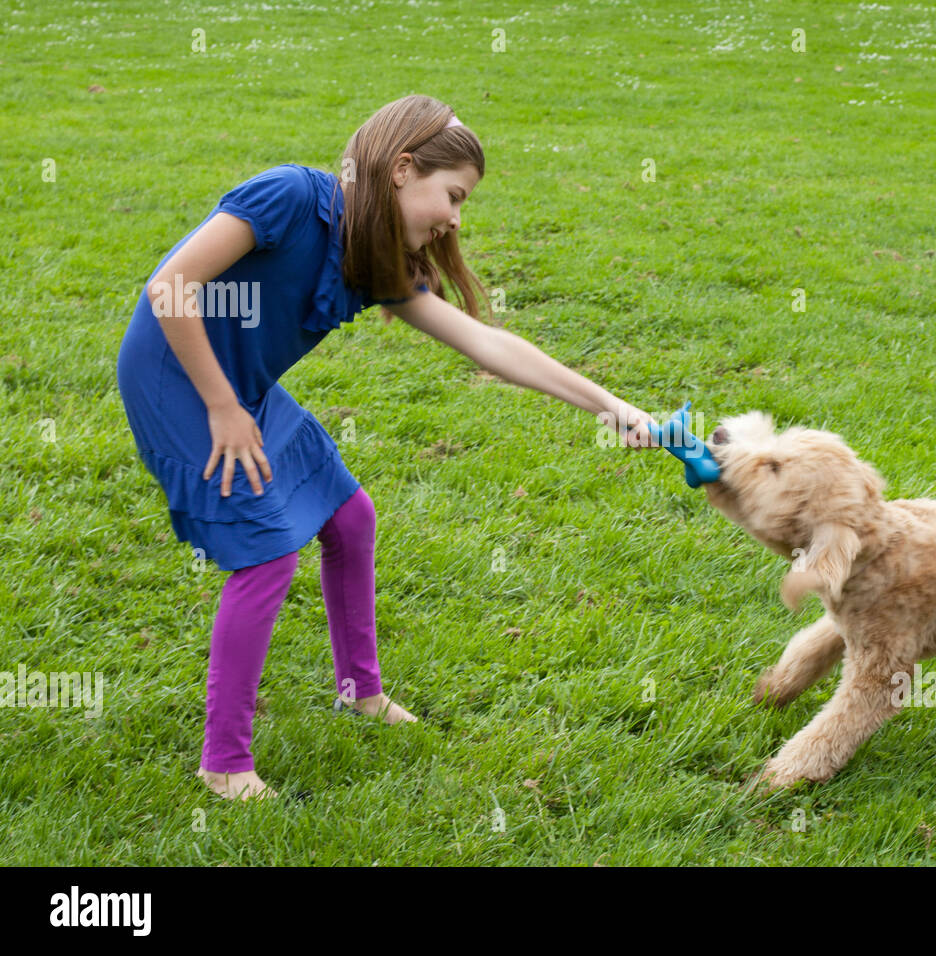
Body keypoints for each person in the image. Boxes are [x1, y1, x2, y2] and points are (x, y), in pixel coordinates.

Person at [115, 94, 655, 801]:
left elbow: (485, 344)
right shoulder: (290, 198)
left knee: (350, 516)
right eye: (453, 194)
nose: (456, 218)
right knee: (269, 554)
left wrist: (609, 404)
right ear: (402, 169)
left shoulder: (374, 259)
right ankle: (224, 764)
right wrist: (221, 407)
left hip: (240, 389)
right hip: (177, 379)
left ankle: (359, 692)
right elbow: (171, 286)